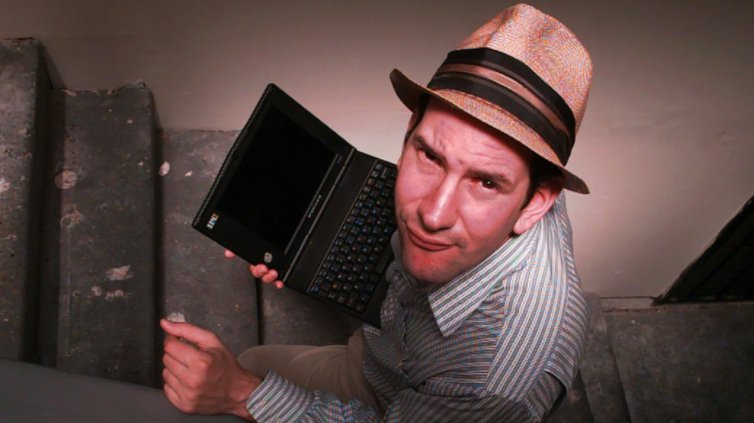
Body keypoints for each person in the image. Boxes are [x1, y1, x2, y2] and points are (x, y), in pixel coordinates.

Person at [160, 3, 593, 422]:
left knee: (251, 367)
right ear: (410, 130)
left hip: (401, 400)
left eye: (485, 183)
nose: (433, 215)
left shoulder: (494, 385)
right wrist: (300, 241)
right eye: (431, 156)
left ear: (537, 202)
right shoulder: (525, 171)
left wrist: (241, 394)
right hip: (387, 347)